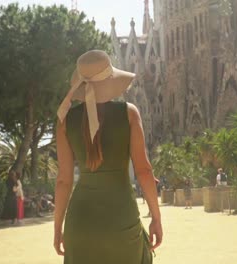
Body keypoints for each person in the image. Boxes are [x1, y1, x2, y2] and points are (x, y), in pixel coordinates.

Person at [53, 50, 162, 264]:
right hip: (122, 221)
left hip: (79, 225)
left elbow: (63, 180)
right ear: (111, 80)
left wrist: (58, 228)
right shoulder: (129, 113)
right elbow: (144, 171)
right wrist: (156, 218)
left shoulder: (64, 120)